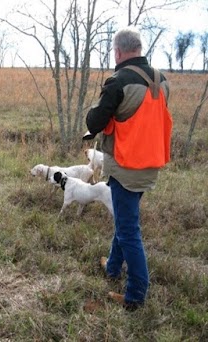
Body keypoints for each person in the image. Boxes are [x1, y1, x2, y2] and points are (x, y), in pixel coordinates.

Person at [84, 27, 172, 310]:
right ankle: (112, 267)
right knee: (124, 221)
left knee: (128, 230)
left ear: (118, 52)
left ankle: (135, 296)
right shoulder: (161, 80)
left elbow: (95, 122)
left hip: (125, 166)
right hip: (149, 164)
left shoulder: (118, 81)